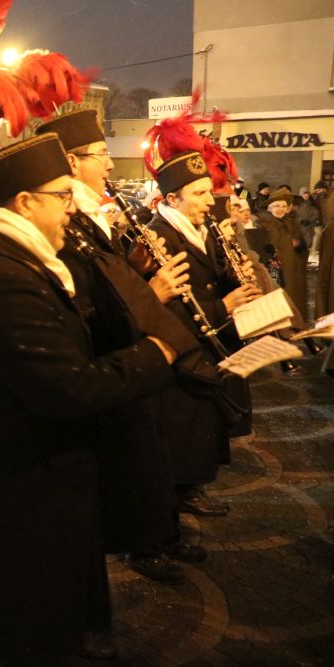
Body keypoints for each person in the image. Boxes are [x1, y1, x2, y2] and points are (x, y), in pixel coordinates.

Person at [0, 133, 180, 663]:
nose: (71, 204)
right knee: (27, 625)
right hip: (28, 488)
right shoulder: (4, 275)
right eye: (62, 194)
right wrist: (156, 353)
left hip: (49, 477)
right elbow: (66, 388)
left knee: (52, 614)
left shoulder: (26, 260)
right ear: (24, 202)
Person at [37, 109, 197, 583]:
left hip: (126, 352)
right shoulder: (72, 222)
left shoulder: (93, 214)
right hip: (109, 358)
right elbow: (86, 300)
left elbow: (108, 283)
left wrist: (137, 267)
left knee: (146, 450)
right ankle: (146, 543)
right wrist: (152, 293)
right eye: (102, 155)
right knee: (131, 459)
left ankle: (157, 535)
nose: (110, 165)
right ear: (71, 160)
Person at [147, 151, 261, 517]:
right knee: (181, 429)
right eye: (198, 194)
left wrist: (237, 275)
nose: (210, 201)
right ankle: (176, 497)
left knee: (200, 426)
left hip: (210, 348)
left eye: (208, 191)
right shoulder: (158, 237)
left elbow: (212, 278)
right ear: (171, 200)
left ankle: (191, 487)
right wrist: (223, 306)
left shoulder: (201, 230)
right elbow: (162, 309)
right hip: (181, 354)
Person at [258, 187, 308, 318]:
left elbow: (301, 243)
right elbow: (267, 246)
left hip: (293, 267)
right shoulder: (264, 223)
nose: (280, 209)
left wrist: (300, 244)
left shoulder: (291, 223)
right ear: (269, 208)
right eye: (276, 206)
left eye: (283, 206)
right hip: (278, 270)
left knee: (294, 296)